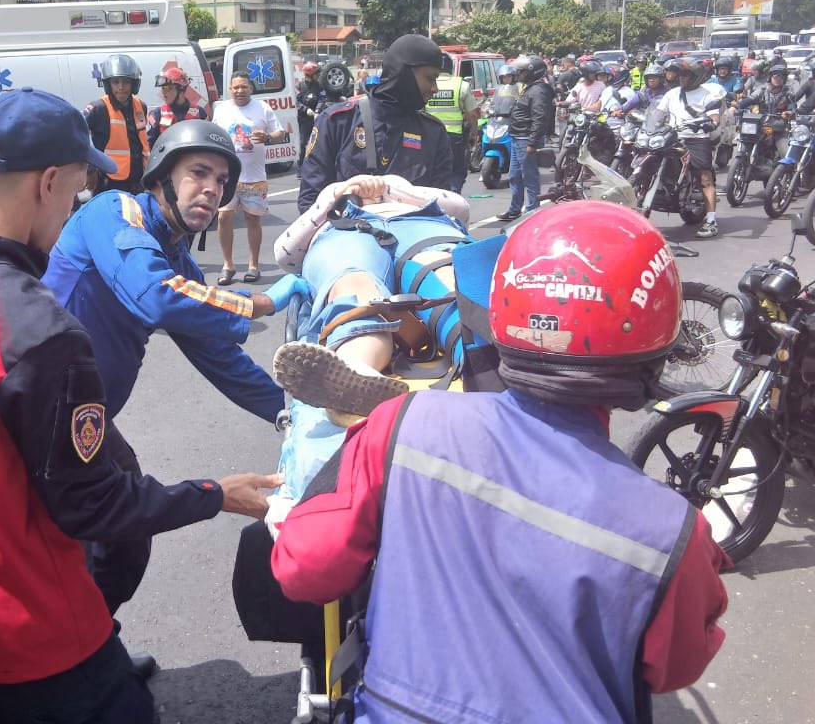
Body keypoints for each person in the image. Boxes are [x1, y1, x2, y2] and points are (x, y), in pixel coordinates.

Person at [0, 89, 277, 723]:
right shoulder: (40, 330)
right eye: (75, 186)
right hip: (28, 633)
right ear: (49, 181)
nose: (77, 203)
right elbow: (92, 505)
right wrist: (216, 492)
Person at [269, 201, 729, 724]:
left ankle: (366, 343)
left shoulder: (403, 427)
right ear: (654, 348)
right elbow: (675, 667)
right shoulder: (672, 532)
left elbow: (304, 567)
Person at [44, 119, 290, 617]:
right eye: (199, 172)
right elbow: (156, 297)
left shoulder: (178, 260)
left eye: (222, 181)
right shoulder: (114, 212)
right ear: (159, 177)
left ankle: (92, 640)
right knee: (56, 547)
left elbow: (221, 358)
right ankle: (73, 661)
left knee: (121, 543)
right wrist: (257, 303)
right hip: (38, 416)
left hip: (87, 420)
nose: (212, 189)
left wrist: (291, 414)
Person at [271, 172, 470, 420]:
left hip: (417, 223)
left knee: (439, 271)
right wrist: (338, 195)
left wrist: (390, 188)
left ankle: (480, 354)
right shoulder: (334, 196)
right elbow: (285, 253)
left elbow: (461, 207)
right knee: (355, 282)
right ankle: (356, 371)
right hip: (346, 230)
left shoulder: (403, 189)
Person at [298, 34, 455, 212]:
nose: (435, 89)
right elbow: (310, 200)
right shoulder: (338, 121)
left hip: (413, 236)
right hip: (347, 235)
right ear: (404, 73)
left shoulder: (433, 132)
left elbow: (443, 205)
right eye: (430, 78)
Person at [211, 72, 286, 284]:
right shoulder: (222, 109)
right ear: (229, 89)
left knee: (252, 218)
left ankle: (254, 265)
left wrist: (268, 137)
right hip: (226, 176)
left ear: (250, 89)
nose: (240, 91)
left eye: (244, 87)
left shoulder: (263, 108)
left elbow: (280, 132)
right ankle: (228, 265)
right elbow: (213, 134)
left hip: (254, 176)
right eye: (236, 87)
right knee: (224, 217)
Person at [657, 58, 726, 238]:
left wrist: (710, 123)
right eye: (681, 75)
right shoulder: (671, 94)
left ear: (696, 76)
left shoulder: (707, 95)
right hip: (671, 138)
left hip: (696, 139)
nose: (682, 78)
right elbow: (658, 113)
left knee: (705, 178)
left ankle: (711, 221)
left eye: (686, 75)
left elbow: (714, 117)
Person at [84, 53, 150, 194]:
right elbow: (77, 133)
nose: (121, 87)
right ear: (108, 84)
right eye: (116, 82)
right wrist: (90, 168)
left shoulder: (141, 106)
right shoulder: (98, 108)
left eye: (126, 82)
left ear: (134, 83)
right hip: (109, 182)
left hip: (139, 180)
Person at [498, 55, 553, 221]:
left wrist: (532, 142)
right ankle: (515, 210)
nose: (518, 75)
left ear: (531, 73)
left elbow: (539, 117)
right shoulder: (528, 88)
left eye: (520, 72)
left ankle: (531, 213)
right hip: (517, 138)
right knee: (514, 176)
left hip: (525, 140)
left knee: (530, 178)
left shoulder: (539, 91)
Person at [425, 55, 480, 195]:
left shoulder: (426, 83)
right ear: (451, 67)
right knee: (456, 171)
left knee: (431, 170)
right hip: (454, 137)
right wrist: (475, 132)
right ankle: (453, 197)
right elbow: (472, 114)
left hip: (429, 136)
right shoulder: (461, 85)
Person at [145, 65, 205, 145]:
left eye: (167, 88)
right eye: (162, 88)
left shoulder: (200, 112)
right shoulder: (157, 114)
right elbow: (148, 144)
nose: (163, 92)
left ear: (181, 88)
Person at [296, 61, 327, 163]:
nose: (318, 75)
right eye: (316, 74)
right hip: (304, 119)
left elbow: (322, 99)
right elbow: (296, 101)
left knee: (318, 142)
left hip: (316, 118)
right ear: (310, 74)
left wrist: (317, 111)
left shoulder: (319, 86)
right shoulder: (299, 86)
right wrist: (306, 109)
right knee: (302, 143)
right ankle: (301, 166)